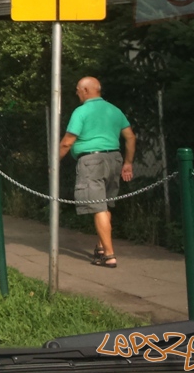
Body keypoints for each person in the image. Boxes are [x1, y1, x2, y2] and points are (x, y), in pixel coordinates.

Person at [58, 76, 135, 269]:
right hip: (114, 159)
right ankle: (101, 247)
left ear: (86, 91)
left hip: (91, 161)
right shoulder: (114, 110)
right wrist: (128, 163)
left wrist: (52, 163)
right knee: (106, 204)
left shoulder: (81, 111)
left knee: (98, 207)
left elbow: (67, 141)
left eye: (77, 90)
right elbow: (130, 138)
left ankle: (109, 256)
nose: (76, 93)